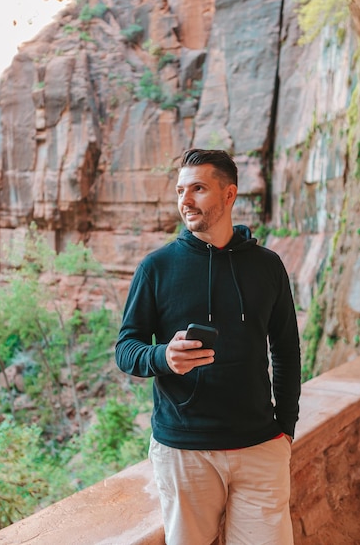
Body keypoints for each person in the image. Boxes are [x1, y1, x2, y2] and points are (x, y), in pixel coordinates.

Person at [115, 148, 301, 545]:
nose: (185, 200)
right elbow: (126, 348)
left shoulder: (268, 266)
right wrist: (162, 356)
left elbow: (285, 349)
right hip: (184, 451)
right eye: (181, 190)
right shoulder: (157, 267)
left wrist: (285, 429)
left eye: (198, 188)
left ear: (229, 194)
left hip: (260, 448)